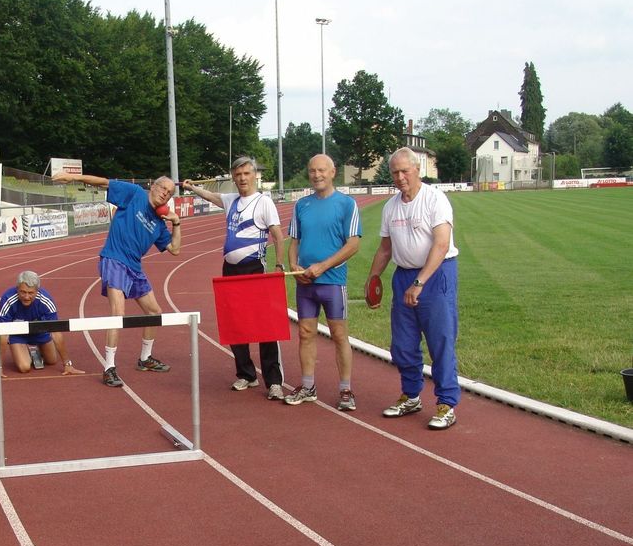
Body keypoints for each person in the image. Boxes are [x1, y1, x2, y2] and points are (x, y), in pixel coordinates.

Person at [51, 171, 181, 387]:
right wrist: (73, 177)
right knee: (117, 313)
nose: (165, 194)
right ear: (153, 186)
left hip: (134, 267)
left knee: (154, 312)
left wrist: (176, 224)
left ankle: (145, 358)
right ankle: (109, 368)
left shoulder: (160, 222)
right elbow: (104, 182)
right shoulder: (134, 194)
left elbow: (175, 250)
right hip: (114, 259)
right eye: (162, 189)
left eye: (169, 193)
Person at [367, 147, 460, 430]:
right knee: (403, 344)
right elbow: (385, 249)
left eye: (404, 171)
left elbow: (441, 244)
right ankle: (410, 395)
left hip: (435, 275)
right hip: (403, 275)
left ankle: (446, 403)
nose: (400, 177)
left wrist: (420, 282)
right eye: (395, 172)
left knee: (440, 341)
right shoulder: (391, 207)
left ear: (418, 170)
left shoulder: (435, 200)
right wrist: (373, 278)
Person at [183, 156, 287, 400]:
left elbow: (278, 235)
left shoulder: (263, 202)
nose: (242, 178)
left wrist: (279, 264)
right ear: (233, 177)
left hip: (254, 270)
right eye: (238, 175)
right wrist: (192, 187)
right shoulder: (231, 200)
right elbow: (212, 197)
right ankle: (246, 374)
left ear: (254, 176)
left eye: (246, 174)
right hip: (230, 271)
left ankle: (273, 381)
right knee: (234, 322)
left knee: (264, 325)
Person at [284, 154, 362, 410]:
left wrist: (322, 266)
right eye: (312, 171)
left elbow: (353, 244)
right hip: (305, 284)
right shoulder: (301, 205)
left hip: (332, 283)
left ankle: (346, 390)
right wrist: (294, 266)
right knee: (305, 334)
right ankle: (308, 387)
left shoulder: (347, 204)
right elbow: (294, 242)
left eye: (321, 170)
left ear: (332, 172)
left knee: (339, 335)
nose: (316, 175)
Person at [0, 270, 85, 378]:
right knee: (24, 367)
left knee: (52, 360)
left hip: (39, 332)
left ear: (37, 291)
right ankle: (25, 350)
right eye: (23, 292)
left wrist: (67, 364)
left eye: (31, 293)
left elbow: (56, 333)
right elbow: (2, 335)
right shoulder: (8, 299)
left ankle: (35, 350)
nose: (27, 297)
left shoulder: (46, 300)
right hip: (18, 335)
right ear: (17, 289)